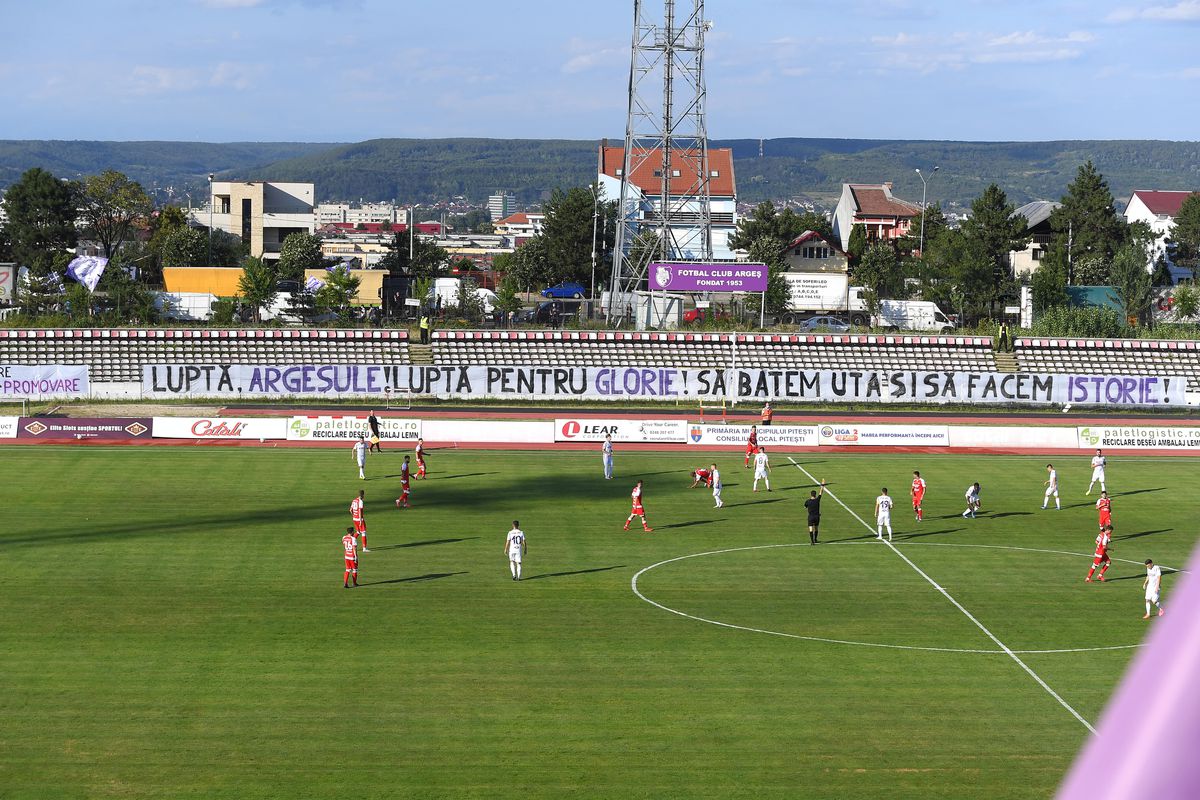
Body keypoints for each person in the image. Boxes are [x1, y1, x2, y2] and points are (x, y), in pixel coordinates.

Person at [804, 480, 826, 545]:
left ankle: (812, 541)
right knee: (816, 528)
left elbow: (805, 507)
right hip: (817, 516)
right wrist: (822, 485)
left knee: (810, 528)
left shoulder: (808, 501)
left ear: (810, 495)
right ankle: (815, 539)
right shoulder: (817, 500)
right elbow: (821, 493)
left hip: (810, 516)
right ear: (815, 495)